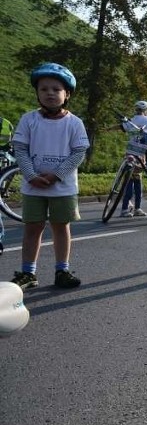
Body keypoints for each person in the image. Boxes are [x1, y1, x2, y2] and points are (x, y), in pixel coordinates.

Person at [10, 63, 90, 290]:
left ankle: (62, 270)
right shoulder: (29, 120)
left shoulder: (74, 123)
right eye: (44, 89)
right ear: (37, 94)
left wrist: (56, 175)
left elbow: (78, 153)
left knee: (60, 226)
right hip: (33, 186)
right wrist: (30, 175)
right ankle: (28, 273)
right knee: (32, 227)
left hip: (62, 187)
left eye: (56, 89)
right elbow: (21, 150)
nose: (50, 93)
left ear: (67, 95)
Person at [120, 100, 147, 217]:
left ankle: (125, 208)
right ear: (145, 111)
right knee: (140, 180)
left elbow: (123, 127)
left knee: (129, 181)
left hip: (130, 153)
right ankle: (138, 207)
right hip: (144, 154)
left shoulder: (131, 120)